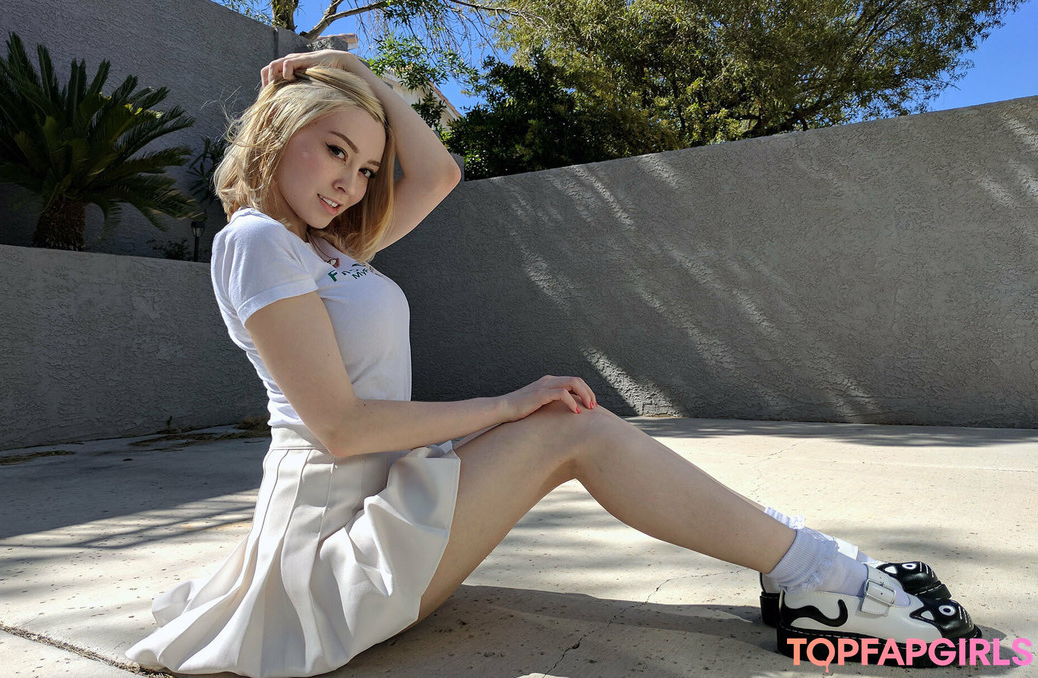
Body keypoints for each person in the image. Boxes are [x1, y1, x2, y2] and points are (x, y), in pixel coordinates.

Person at [125, 51, 979, 677]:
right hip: (332, 561)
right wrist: (506, 404)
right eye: (334, 149)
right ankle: (819, 579)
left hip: (376, 512)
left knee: (570, 424)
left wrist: (361, 75)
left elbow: (441, 172)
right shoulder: (257, 242)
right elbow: (343, 428)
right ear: (280, 132)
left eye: (367, 165)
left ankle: (809, 568)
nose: (351, 181)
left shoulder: (329, 248)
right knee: (570, 428)